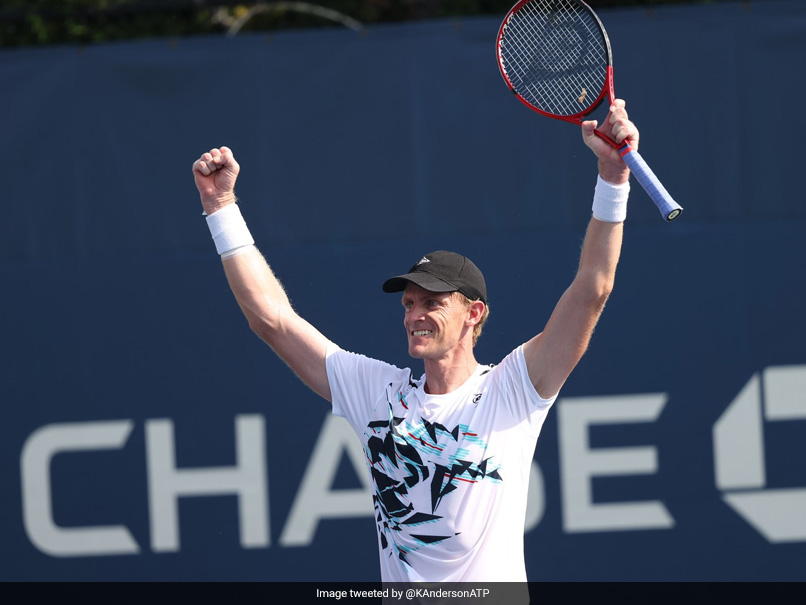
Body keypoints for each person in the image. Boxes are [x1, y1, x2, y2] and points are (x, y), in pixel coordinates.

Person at [192, 100, 638, 584]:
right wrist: (221, 207)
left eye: (432, 303)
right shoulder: (377, 394)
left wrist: (612, 177)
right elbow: (272, 320)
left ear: (473, 314)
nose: (415, 315)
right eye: (408, 304)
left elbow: (593, 288)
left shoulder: (516, 387)